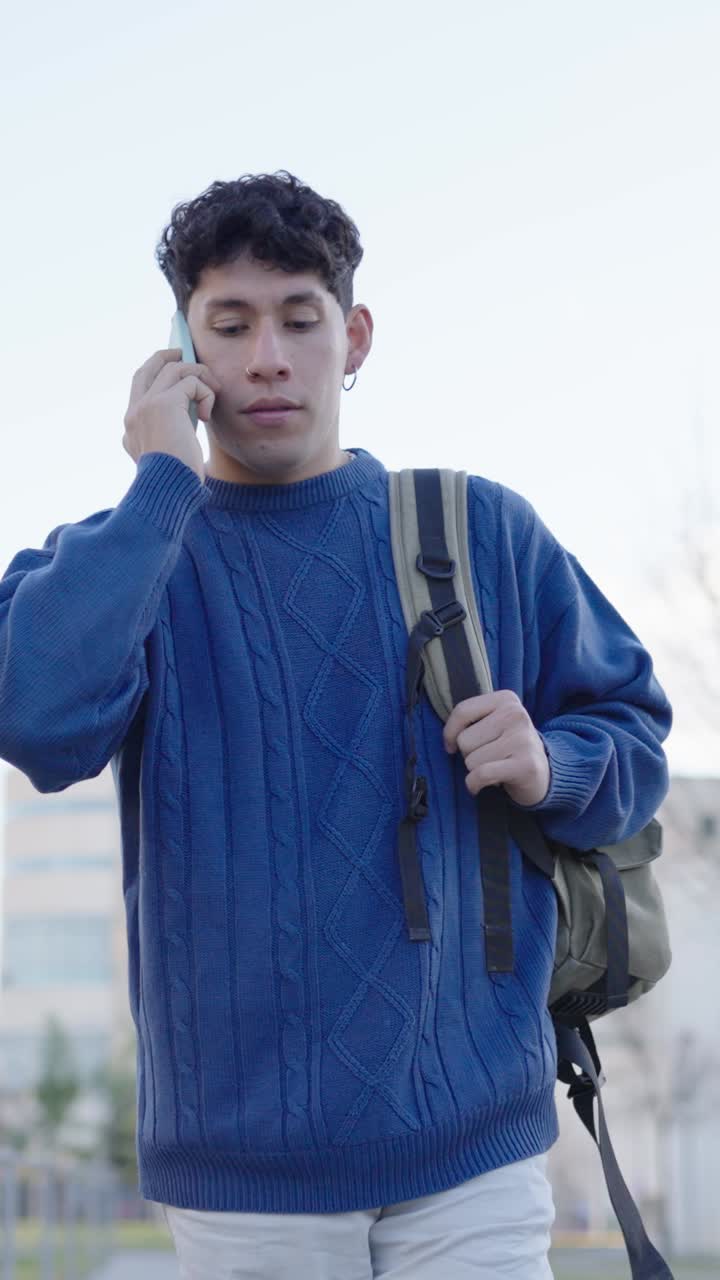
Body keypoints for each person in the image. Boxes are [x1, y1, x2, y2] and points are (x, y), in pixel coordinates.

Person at [0, 171, 671, 1279]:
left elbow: (636, 736)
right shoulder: (128, 555)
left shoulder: (478, 529)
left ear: (353, 337)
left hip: (471, 1150)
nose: (268, 356)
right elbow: (36, 723)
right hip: (242, 1179)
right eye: (230, 324)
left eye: (299, 319)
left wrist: (554, 762)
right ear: (182, 353)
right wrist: (160, 481)